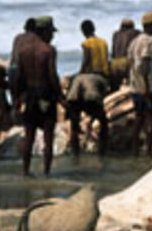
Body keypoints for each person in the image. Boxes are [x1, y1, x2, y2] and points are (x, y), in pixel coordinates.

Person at [11, 16, 63, 175]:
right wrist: (60, 97)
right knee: (48, 136)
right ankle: (46, 172)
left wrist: (17, 98)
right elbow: (52, 76)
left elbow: (18, 76)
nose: (52, 36)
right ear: (44, 31)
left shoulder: (23, 51)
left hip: (29, 96)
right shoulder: (49, 50)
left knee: (29, 135)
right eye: (50, 32)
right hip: (45, 95)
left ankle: (25, 171)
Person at [128, 12, 152, 157]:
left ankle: (135, 150)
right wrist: (147, 88)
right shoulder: (148, 42)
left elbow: (130, 62)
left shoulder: (134, 41)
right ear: (150, 26)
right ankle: (148, 150)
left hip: (135, 86)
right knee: (151, 119)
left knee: (139, 118)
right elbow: (145, 65)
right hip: (145, 87)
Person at [65, 72, 111, 156]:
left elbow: (70, 91)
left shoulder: (78, 77)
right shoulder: (101, 79)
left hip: (72, 99)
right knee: (104, 124)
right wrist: (92, 118)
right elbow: (102, 97)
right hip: (91, 98)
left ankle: (75, 153)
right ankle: (102, 152)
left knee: (74, 127)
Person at [109, 18, 139, 92]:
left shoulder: (115, 34)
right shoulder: (135, 33)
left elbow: (113, 51)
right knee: (132, 86)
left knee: (115, 88)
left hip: (114, 63)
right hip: (127, 62)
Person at [8, 17, 36, 93]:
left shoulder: (17, 37)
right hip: (22, 71)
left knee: (15, 97)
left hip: (12, 68)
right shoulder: (35, 39)